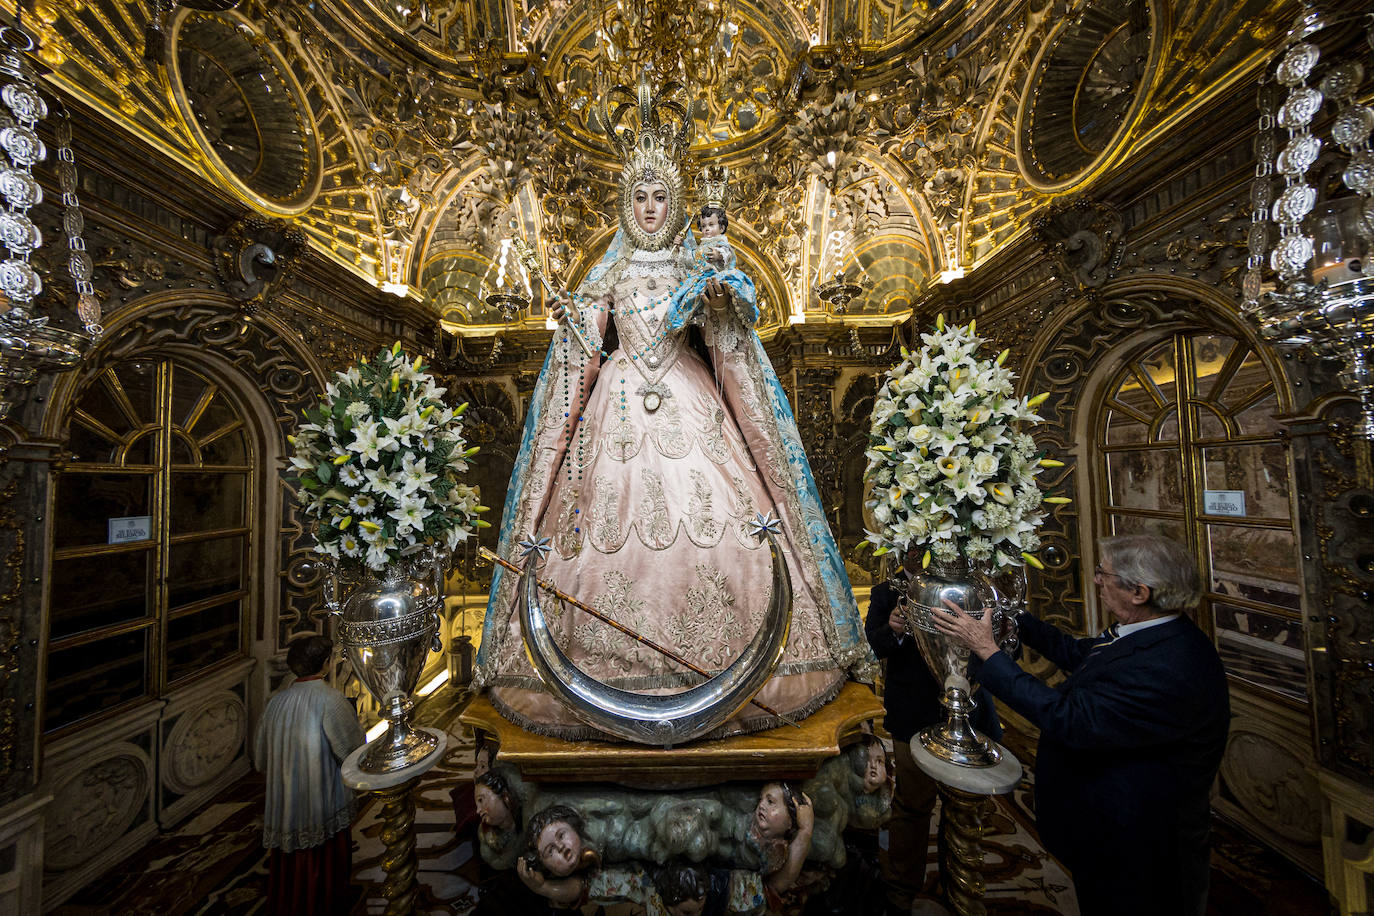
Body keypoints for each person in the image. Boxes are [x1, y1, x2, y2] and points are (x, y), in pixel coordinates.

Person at [473, 77, 874, 740]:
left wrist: (718, 299)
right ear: (626, 203)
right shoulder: (609, 272)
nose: (651, 207)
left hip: (690, 400)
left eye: (660, 196)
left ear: (677, 201)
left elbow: (726, 336)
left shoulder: (698, 263)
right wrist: (572, 325)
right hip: (618, 404)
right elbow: (583, 348)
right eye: (640, 196)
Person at [932, 534, 1230, 916]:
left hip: (1139, 850)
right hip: (1109, 833)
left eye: (1104, 573)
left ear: (1139, 592)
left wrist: (988, 651)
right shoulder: (1152, 632)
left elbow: (1069, 719)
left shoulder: (1170, 664)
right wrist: (1014, 616)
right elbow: (1077, 653)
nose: (1096, 580)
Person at [864, 553, 1000, 914]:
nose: (917, 550)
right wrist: (893, 629)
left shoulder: (969, 588)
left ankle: (959, 888)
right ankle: (900, 891)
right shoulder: (886, 592)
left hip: (969, 712)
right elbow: (872, 645)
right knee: (912, 805)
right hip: (913, 715)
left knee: (966, 807)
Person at [253, 635, 365, 916]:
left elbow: (260, 758)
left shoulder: (276, 703)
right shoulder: (330, 700)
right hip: (320, 798)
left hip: (285, 801)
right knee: (324, 860)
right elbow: (351, 752)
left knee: (290, 863)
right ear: (326, 664)